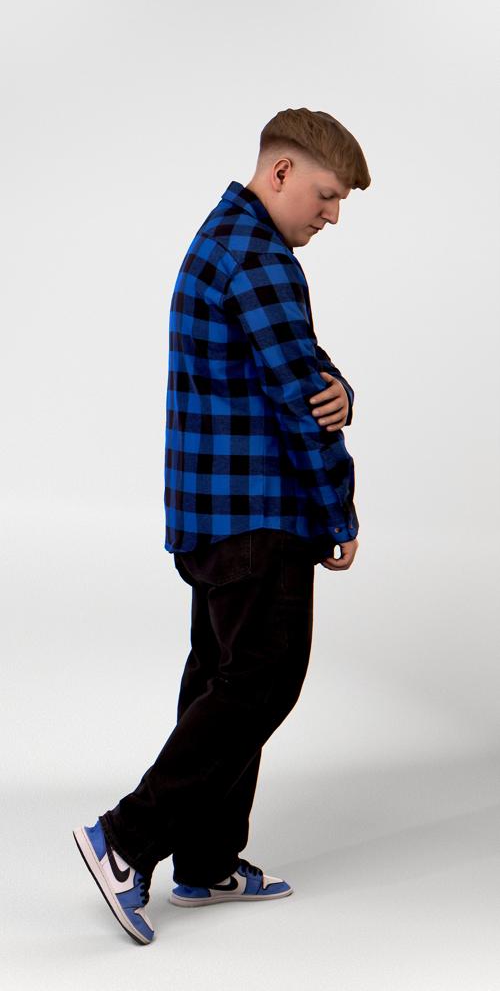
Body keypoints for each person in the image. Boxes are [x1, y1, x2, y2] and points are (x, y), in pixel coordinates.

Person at [73, 106, 371, 945]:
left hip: (212, 513)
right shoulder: (259, 257)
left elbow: (303, 367)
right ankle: (124, 841)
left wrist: (343, 390)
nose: (332, 216)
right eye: (325, 195)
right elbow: (302, 401)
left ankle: (205, 861)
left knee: (220, 678)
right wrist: (338, 510)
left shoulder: (225, 239)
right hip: (258, 513)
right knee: (260, 682)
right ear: (280, 172)